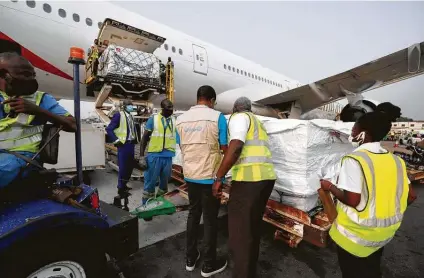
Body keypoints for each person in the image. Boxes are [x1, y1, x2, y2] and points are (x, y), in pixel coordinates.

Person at [320, 110, 415, 278]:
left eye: (355, 129)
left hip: (355, 237)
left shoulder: (354, 160)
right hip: (384, 235)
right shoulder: (396, 161)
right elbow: (411, 196)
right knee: (371, 270)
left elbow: (353, 200)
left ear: (364, 133)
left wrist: (330, 187)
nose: (351, 132)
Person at [213, 96, 276, 278]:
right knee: (251, 230)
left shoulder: (240, 118)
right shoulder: (257, 122)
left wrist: (219, 177)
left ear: (234, 109)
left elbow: (236, 146)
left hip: (249, 182)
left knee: (240, 234)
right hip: (265, 179)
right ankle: (249, 272)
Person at [0, 52, 76, 188]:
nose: (30, 79)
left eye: (32, 75)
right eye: (24, 74)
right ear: (4, 75)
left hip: (21, 158)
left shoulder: (42, 99)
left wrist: (38, 111)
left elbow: (73, 125)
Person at [176, 85, 228, 277]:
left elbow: (181, 144)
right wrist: (220, 177)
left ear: (198, 98)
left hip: (190, 175)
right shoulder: (217, 117)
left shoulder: (180, 119)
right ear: (212, 100)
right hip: (209, 177)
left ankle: (190, 259)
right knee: (210, 220)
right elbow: (224, 148)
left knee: (193, 214)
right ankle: (208, 265)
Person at [139, 99, 175, 204]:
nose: (171, 112)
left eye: (172, 109)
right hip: (155, 156)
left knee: (164, 184)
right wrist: (142, 156)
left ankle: (161, 204)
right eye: (168, 110)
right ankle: (146, 207)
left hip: (168, 157)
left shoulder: (173, 121)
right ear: (162, 109)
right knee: (150, 182)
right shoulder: (153, 119)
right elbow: (144, 139)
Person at [106, 99, 139, 195]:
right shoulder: (118, 115)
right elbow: (109, 129)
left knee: (130, 166)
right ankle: (120, 187)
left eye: (132, 105)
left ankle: (124, 184)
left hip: (131, 144)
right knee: (123, 167)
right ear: (124, 106)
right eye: (129, 105)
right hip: (123, 145)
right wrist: (116, 141)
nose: (131, 106)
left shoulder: (131, 117)